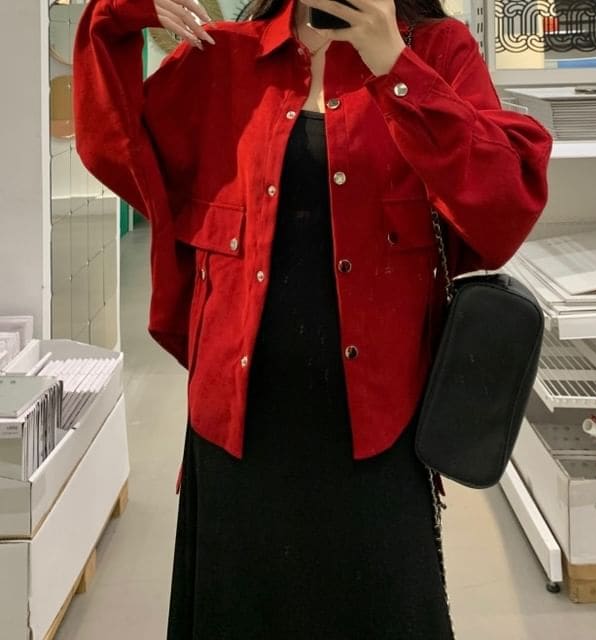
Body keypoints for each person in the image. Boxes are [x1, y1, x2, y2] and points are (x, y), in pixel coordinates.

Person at [73, 0, 552, 637]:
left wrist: (395, 66)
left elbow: (506, 204)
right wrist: (119, 14)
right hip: (239, 423)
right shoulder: (226, 57)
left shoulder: (439, 51)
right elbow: (114, 143)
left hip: (381, 423)